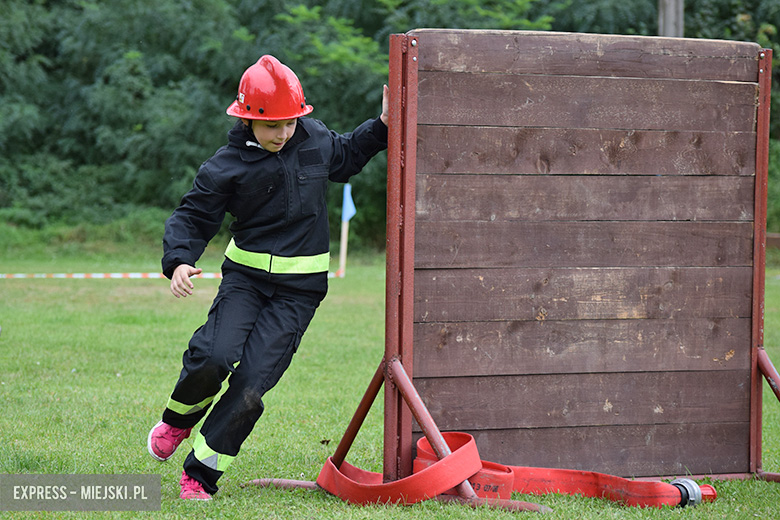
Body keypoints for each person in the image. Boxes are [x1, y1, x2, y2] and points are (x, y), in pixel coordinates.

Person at [146, 54, 389, 500]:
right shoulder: (225, 166)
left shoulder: (315, 139)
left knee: (250, 388)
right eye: (272, 125)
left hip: (300, 293)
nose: (283, 133)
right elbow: (193, 216)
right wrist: (179, 260)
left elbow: (350, 154)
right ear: (247, 120)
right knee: (213, 357)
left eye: (290, 123)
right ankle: (178, 421)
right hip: (246, 282)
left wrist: (384, 124)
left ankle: (200, 476)